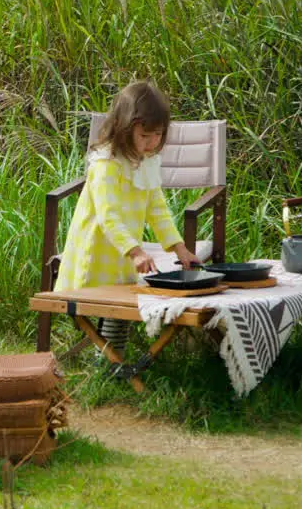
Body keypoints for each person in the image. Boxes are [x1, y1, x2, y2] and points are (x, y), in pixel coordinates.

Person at [54, 79, 202, 358]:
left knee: (121, 309)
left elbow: (157, 209)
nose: (152, 143)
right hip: (98, 250)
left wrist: (179, 248)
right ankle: (107, 364)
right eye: (145, 136)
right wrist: (134, 250)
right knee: (107, 304)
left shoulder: (146, 163)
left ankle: (111, 363)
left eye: (158, 135)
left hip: (124, 251)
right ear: (125, 129)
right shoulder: (106, 164)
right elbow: (108, 214)